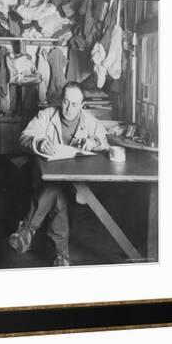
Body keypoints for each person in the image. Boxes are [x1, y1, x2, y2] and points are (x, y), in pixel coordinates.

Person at [7, 81, 109, 266]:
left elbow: (104, 141)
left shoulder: (89, 120)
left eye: (75, 104)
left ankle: (27, 230)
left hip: (76, 182)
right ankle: (62, 256)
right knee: (57, 193)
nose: (69, 108)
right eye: (66, 102)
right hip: (49, 177)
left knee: (56, 189)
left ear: (82, 106)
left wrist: (94, 142)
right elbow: (24, 136)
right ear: (61, 100)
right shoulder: (47, 115)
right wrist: (38, 142)